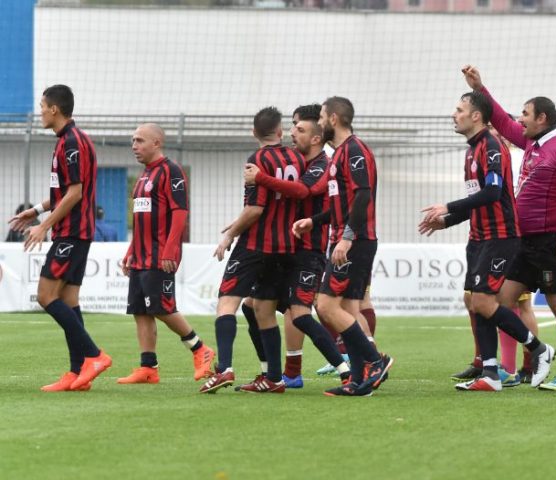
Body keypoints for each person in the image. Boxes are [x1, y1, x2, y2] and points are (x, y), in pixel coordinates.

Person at [461, 65, 556, 391]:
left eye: (526, 114)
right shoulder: (533, 143)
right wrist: (481, 88)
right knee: (501, 301)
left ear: (542, 119)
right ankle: (505, 369)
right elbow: (502, 122)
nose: (519, 120)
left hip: (551, 240)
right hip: (524, 239)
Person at [419, 91, 555, 392]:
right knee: (475, 301)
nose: (454, 114)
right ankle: (491, 373)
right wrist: (447, 221)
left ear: (476, 115)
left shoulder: (491, 147)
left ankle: (539, 349)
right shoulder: (471, 150)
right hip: (479, 238)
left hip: (500, 237)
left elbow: (493, 193)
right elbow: (477, 201)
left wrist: (448, 207)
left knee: (482, 301)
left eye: (459, 109)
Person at [219, 104, 350, 392]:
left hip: (309, 249)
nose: (292, 133)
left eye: (299, 128)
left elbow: (299, 193)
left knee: (307, 313)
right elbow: (275, 201)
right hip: (288, 247)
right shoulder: (296, 160)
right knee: (256, 307)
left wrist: (260, 179)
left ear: (317, 137)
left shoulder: (320, 165)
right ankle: (274, 376)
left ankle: (357, 365)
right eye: (290, 126)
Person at [7, 84, 110, 391]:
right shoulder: (68, 140)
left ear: (54, 109)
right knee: (68, 299)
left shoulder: (72, 143)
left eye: (42, 106)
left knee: (45, 296)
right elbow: (64, 192)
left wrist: (44, 226)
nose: (39, 111)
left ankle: (94, 355)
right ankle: (78, 373)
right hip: (75, 231)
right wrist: (36, 210)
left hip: (72, 232)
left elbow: (75, 194)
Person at [292, 96, 393, 396]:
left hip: (355, 242)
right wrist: (315, 220)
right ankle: (361, 379)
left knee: (325, 305)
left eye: (322, 117)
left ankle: (375, 362)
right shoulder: (338, 154)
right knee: (348, 307)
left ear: (333, 119)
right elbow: (343, 203)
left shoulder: (355, 151)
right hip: (347, 238)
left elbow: (363, 196)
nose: (319, 122)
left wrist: (347, 237)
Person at [116, 124, 215, 385]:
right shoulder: (144, 175)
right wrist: (130, 251)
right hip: (141, 255)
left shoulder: (171, 171)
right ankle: (148, 367)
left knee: (162, 307)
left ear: (156, 142)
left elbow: (180, 212)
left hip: (161, 254)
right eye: (133, 140)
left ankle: (200, 349)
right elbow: (141, 220)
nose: (134, 145)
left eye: (139, 140)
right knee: (140, 310)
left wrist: (171, 249)